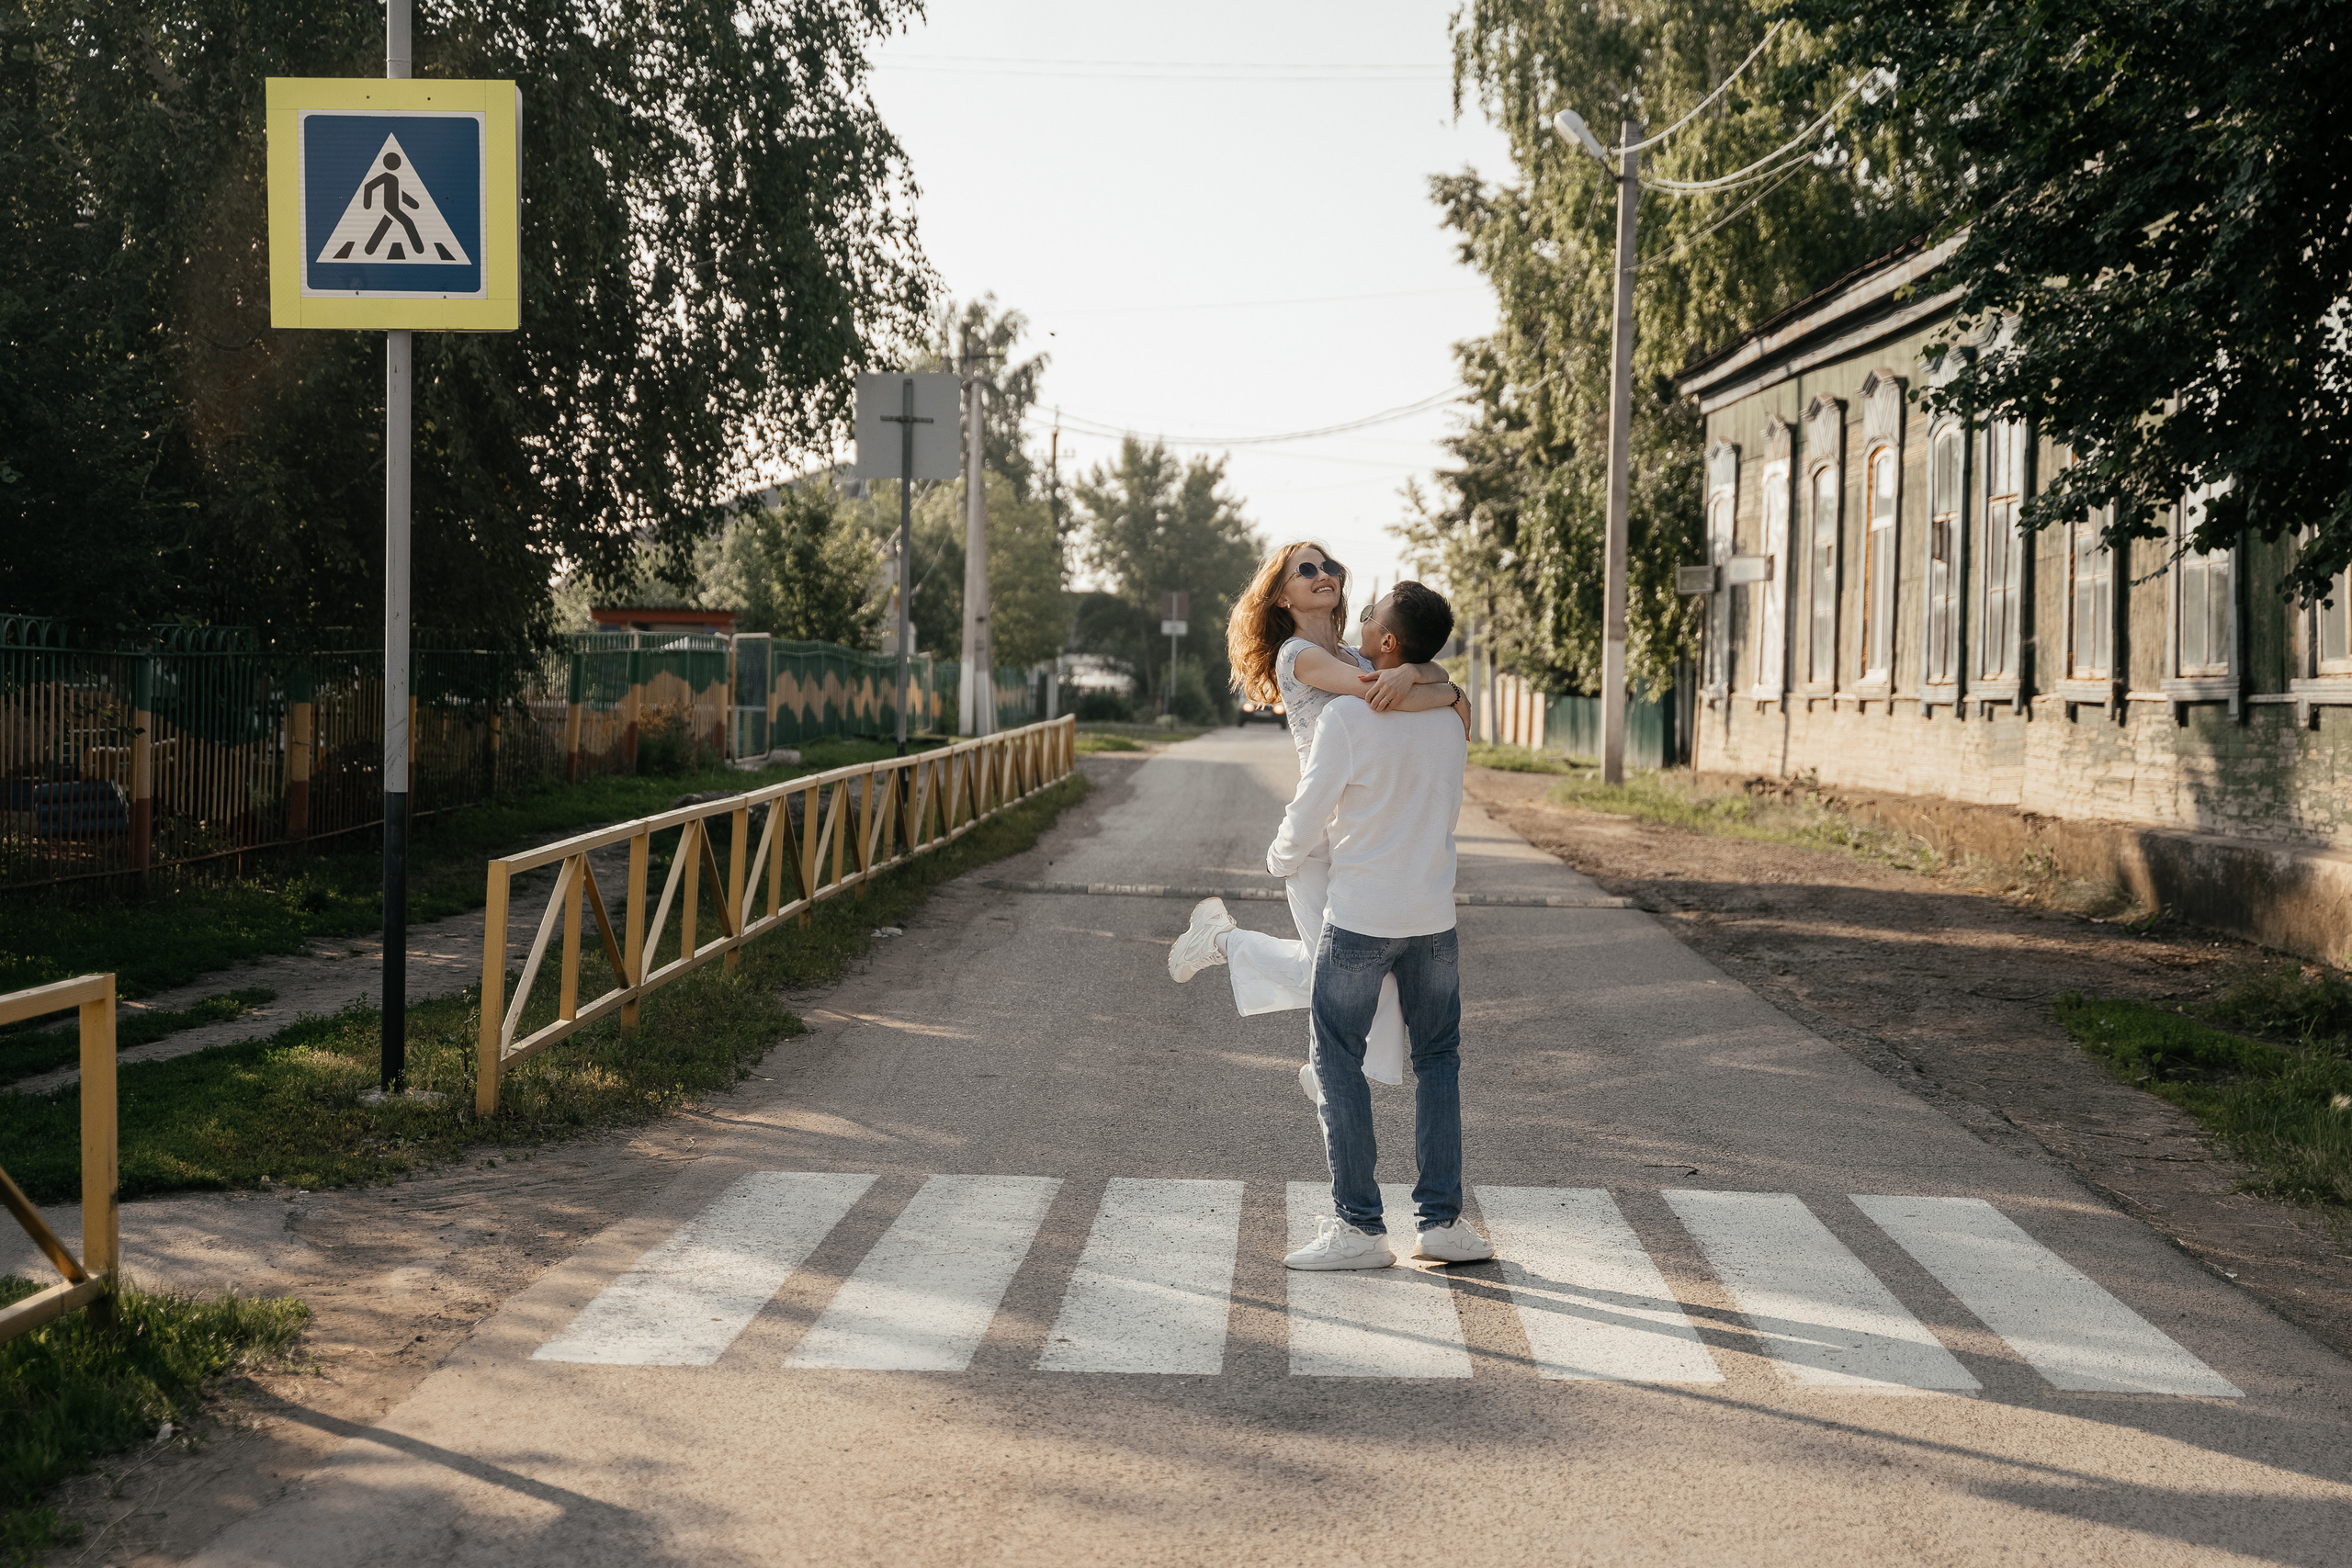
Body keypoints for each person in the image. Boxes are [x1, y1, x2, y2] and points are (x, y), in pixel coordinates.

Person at [1165, 542, 1467, 1100]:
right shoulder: (1298, 656)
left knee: (1347, 969)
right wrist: (1437, 688)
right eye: (1306, 569)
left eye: (1328, 565)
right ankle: (1238, 962)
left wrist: (1429, 675)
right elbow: (1377, 697)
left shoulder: (1355, 654)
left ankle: (1230, 952)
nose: (1323, 573)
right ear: (1283, 594)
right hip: (1314, 837)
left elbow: (1408, 674)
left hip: (1356, 833)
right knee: (1337, 975)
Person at [1273, 582, 1493, 1270]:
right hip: (1433, 917)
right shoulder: (1452, 714)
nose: (1359, 622)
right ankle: (1441, 1222)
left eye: (1370, 617)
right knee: (1438, 1061)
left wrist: (1279, 857)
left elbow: (1309, 816)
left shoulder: (1345, 718)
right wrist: (1439, 683)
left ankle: (1360, 1229)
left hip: (1363, 918)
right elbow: (1448, 697)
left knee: (1336, 1060)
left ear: (1388, 643)